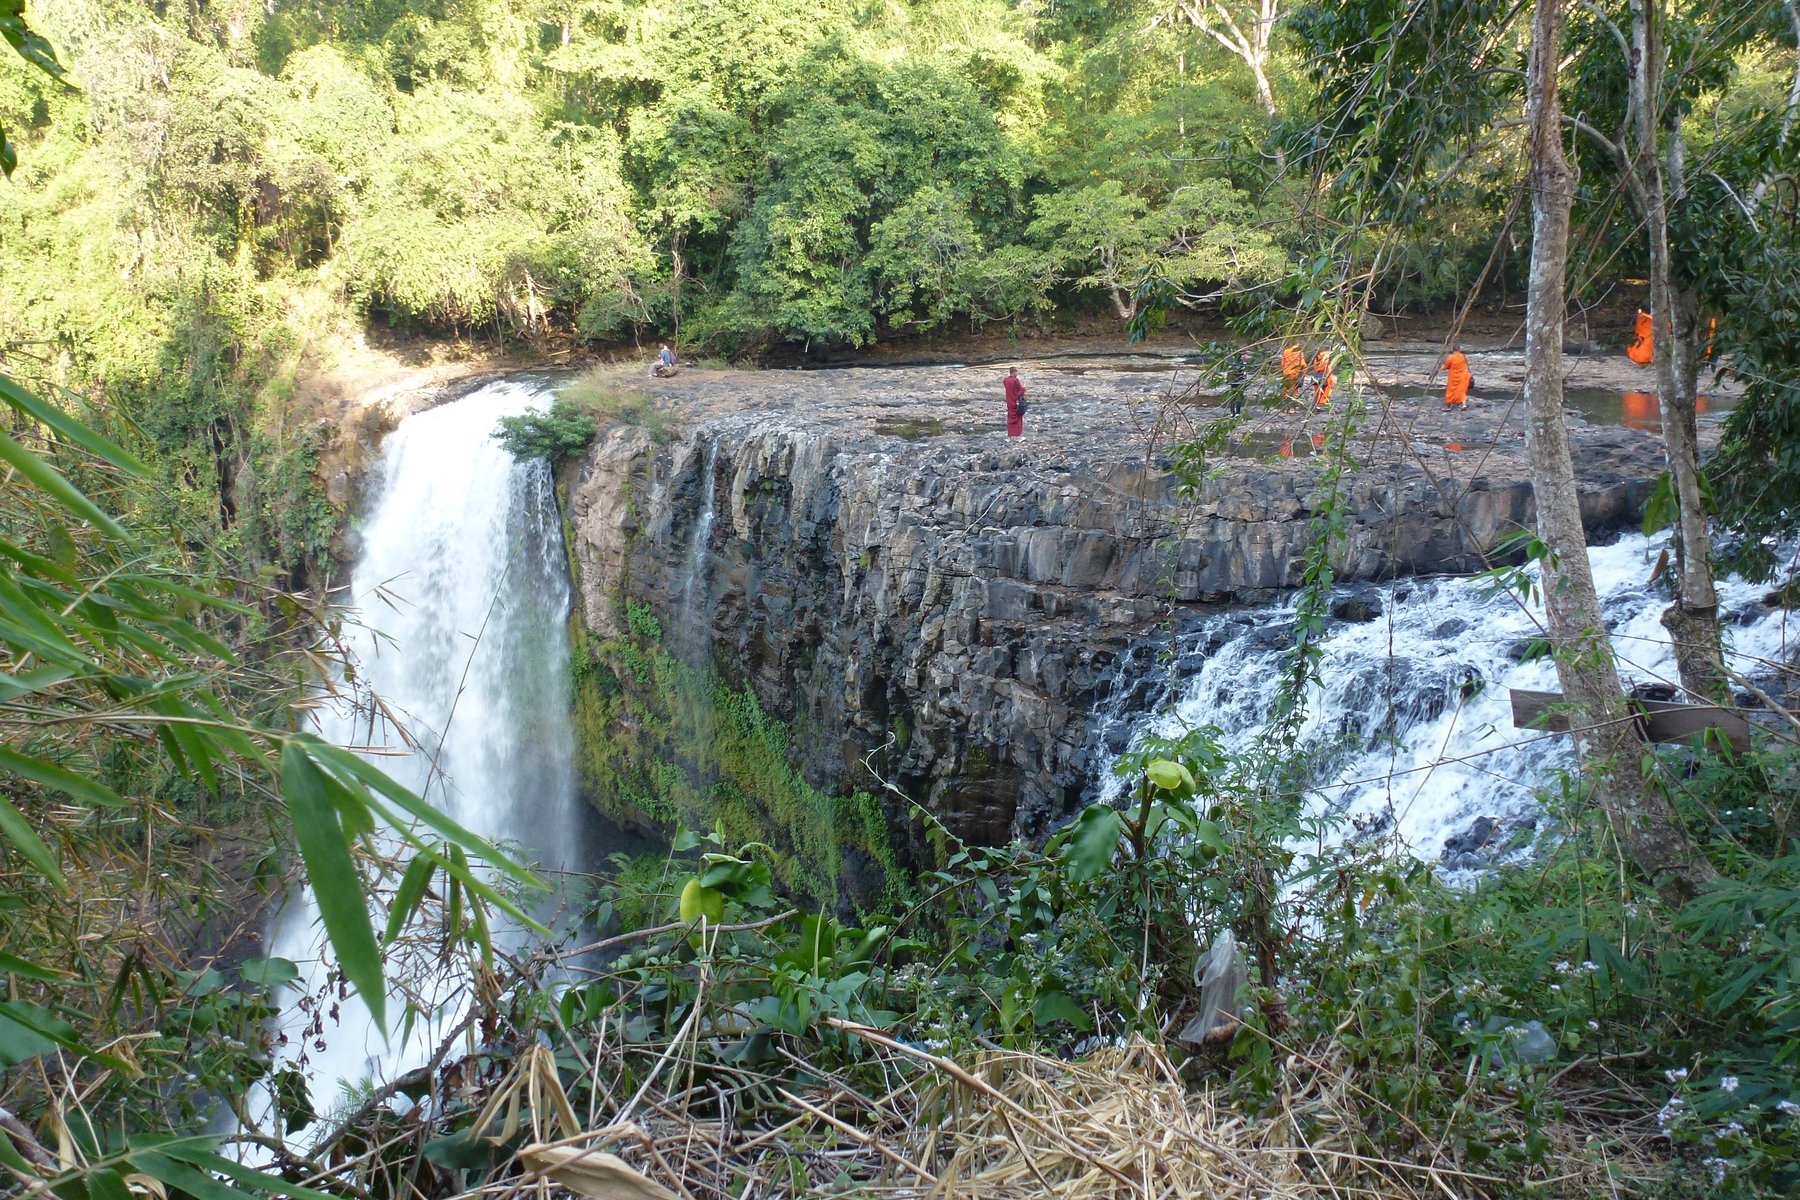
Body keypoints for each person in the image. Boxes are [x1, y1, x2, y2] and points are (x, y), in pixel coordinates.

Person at [1226, 348, 1252, 416]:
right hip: (1239, 382)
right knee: (1239, 397)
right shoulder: (1243, 363)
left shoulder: (1232, 362)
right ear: (1242, 355)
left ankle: (1232, 413)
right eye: (1246, 354)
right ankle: (1237, 413)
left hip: (1232, 382)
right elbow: (1244, 373)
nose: (1247, 356)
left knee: (1233, 397)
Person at [1003, 366, 1026, 438]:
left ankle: (1010, 435)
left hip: (1009, 402)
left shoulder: (1005, 380)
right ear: (1014, 372)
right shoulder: (1016, 380)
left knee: (1010, 417)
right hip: (1015, 402)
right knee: (1018, 417)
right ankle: (1017, 435)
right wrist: (1024, 388)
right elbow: (1019, 392)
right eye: (1017, 371)